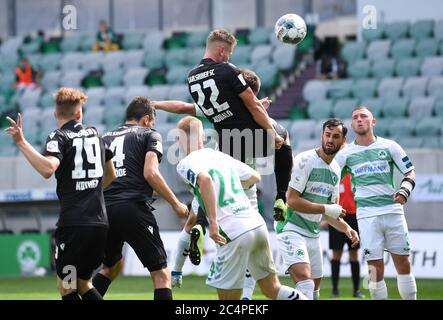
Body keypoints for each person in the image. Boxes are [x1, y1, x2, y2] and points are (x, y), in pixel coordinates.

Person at [152, 67, 293, 296]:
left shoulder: (220, 109)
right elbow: (282, 149)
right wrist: (280, 193)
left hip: (214, 170)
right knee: (261, 269)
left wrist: (155, 104)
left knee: (199, 221)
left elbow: (182, 107)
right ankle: (246, 295)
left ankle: (186, 251)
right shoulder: (263, 122)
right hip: (242, 187)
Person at [175, 116, 307, 300]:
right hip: (256, 223)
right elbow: (254, 176)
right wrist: (230, 185)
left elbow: (204, 180)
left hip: (232, 232)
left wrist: (212, 223)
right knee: (273, 290)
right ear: (203, 136)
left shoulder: (185, 163)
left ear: (178, 138)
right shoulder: (219, 156)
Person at [5, 87, 116, 300]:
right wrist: (90, 189)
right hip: (100, 223)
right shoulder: (96, 135)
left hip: (74, 223)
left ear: (56, 114)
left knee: (66, 286)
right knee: (83, 283)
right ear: (79, 114)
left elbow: (48, 168)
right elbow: (111, 175)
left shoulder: (59, 136)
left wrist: (21, 143)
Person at [91, 96, 188, 300]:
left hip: (103, 209)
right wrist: (176, 203)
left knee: (111, 268)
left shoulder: (104, 137)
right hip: (131, 207)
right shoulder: (149, 134)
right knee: (161, 274)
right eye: (152, 121)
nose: (152, 125)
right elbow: (150, 173)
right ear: (145, 119)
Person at [335, 106, 417, 300]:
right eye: (355, 117)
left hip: (393, 211)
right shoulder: (345, 154)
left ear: (373, 122)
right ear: (352, 124)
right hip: (366, 215)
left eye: (364, 116)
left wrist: (405, 190)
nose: (359, 119)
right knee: (374, 269)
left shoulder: (390, 146)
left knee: (404, 264)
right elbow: (331, 178)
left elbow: (410, 171)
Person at [275, 119, 359, 300]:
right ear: (322, 135)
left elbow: (330, 213)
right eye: (327, 135)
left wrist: (347, 228)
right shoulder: (305, 160)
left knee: (314, 293)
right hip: (291, 227)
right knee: (306, 283)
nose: (330, 140)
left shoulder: (336, 170)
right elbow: (292, 200)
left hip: (313, 234)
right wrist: (327, 208)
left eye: (335, 136)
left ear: (343, 141)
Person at [329, 168, 364, 298]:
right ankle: (334, 290)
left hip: (354, 217)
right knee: (336, 253)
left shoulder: (356, 174)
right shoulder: (335, 174)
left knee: (354, 254)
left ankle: (356, 290)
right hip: (337, 216)